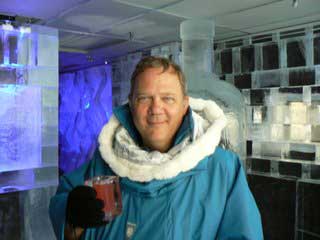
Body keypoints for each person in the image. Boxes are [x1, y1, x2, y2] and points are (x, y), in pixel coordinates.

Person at [49, 56, 263, 240]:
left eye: (168, 98)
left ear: (184, 105)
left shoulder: (222, 170)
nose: (156, 108)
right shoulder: (105, 162)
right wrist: (71, 215)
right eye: (144, 98)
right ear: (131, 104)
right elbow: (65, 208)